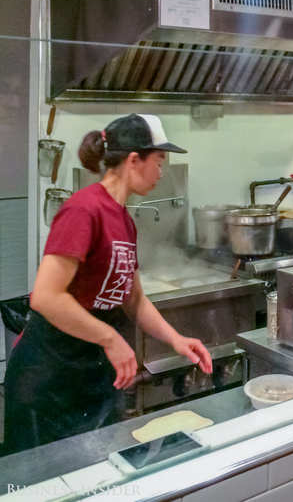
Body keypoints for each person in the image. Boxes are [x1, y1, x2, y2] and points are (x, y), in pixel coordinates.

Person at [2, 114, 213, 455]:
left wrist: (177, 339)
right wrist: (110, 338)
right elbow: (45, 296)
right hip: (50, 380)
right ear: (134, 160)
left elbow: (134, 300)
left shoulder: (125, 221)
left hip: (91, 377)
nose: (162, 172)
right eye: (159, 162)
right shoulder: (83, 210)